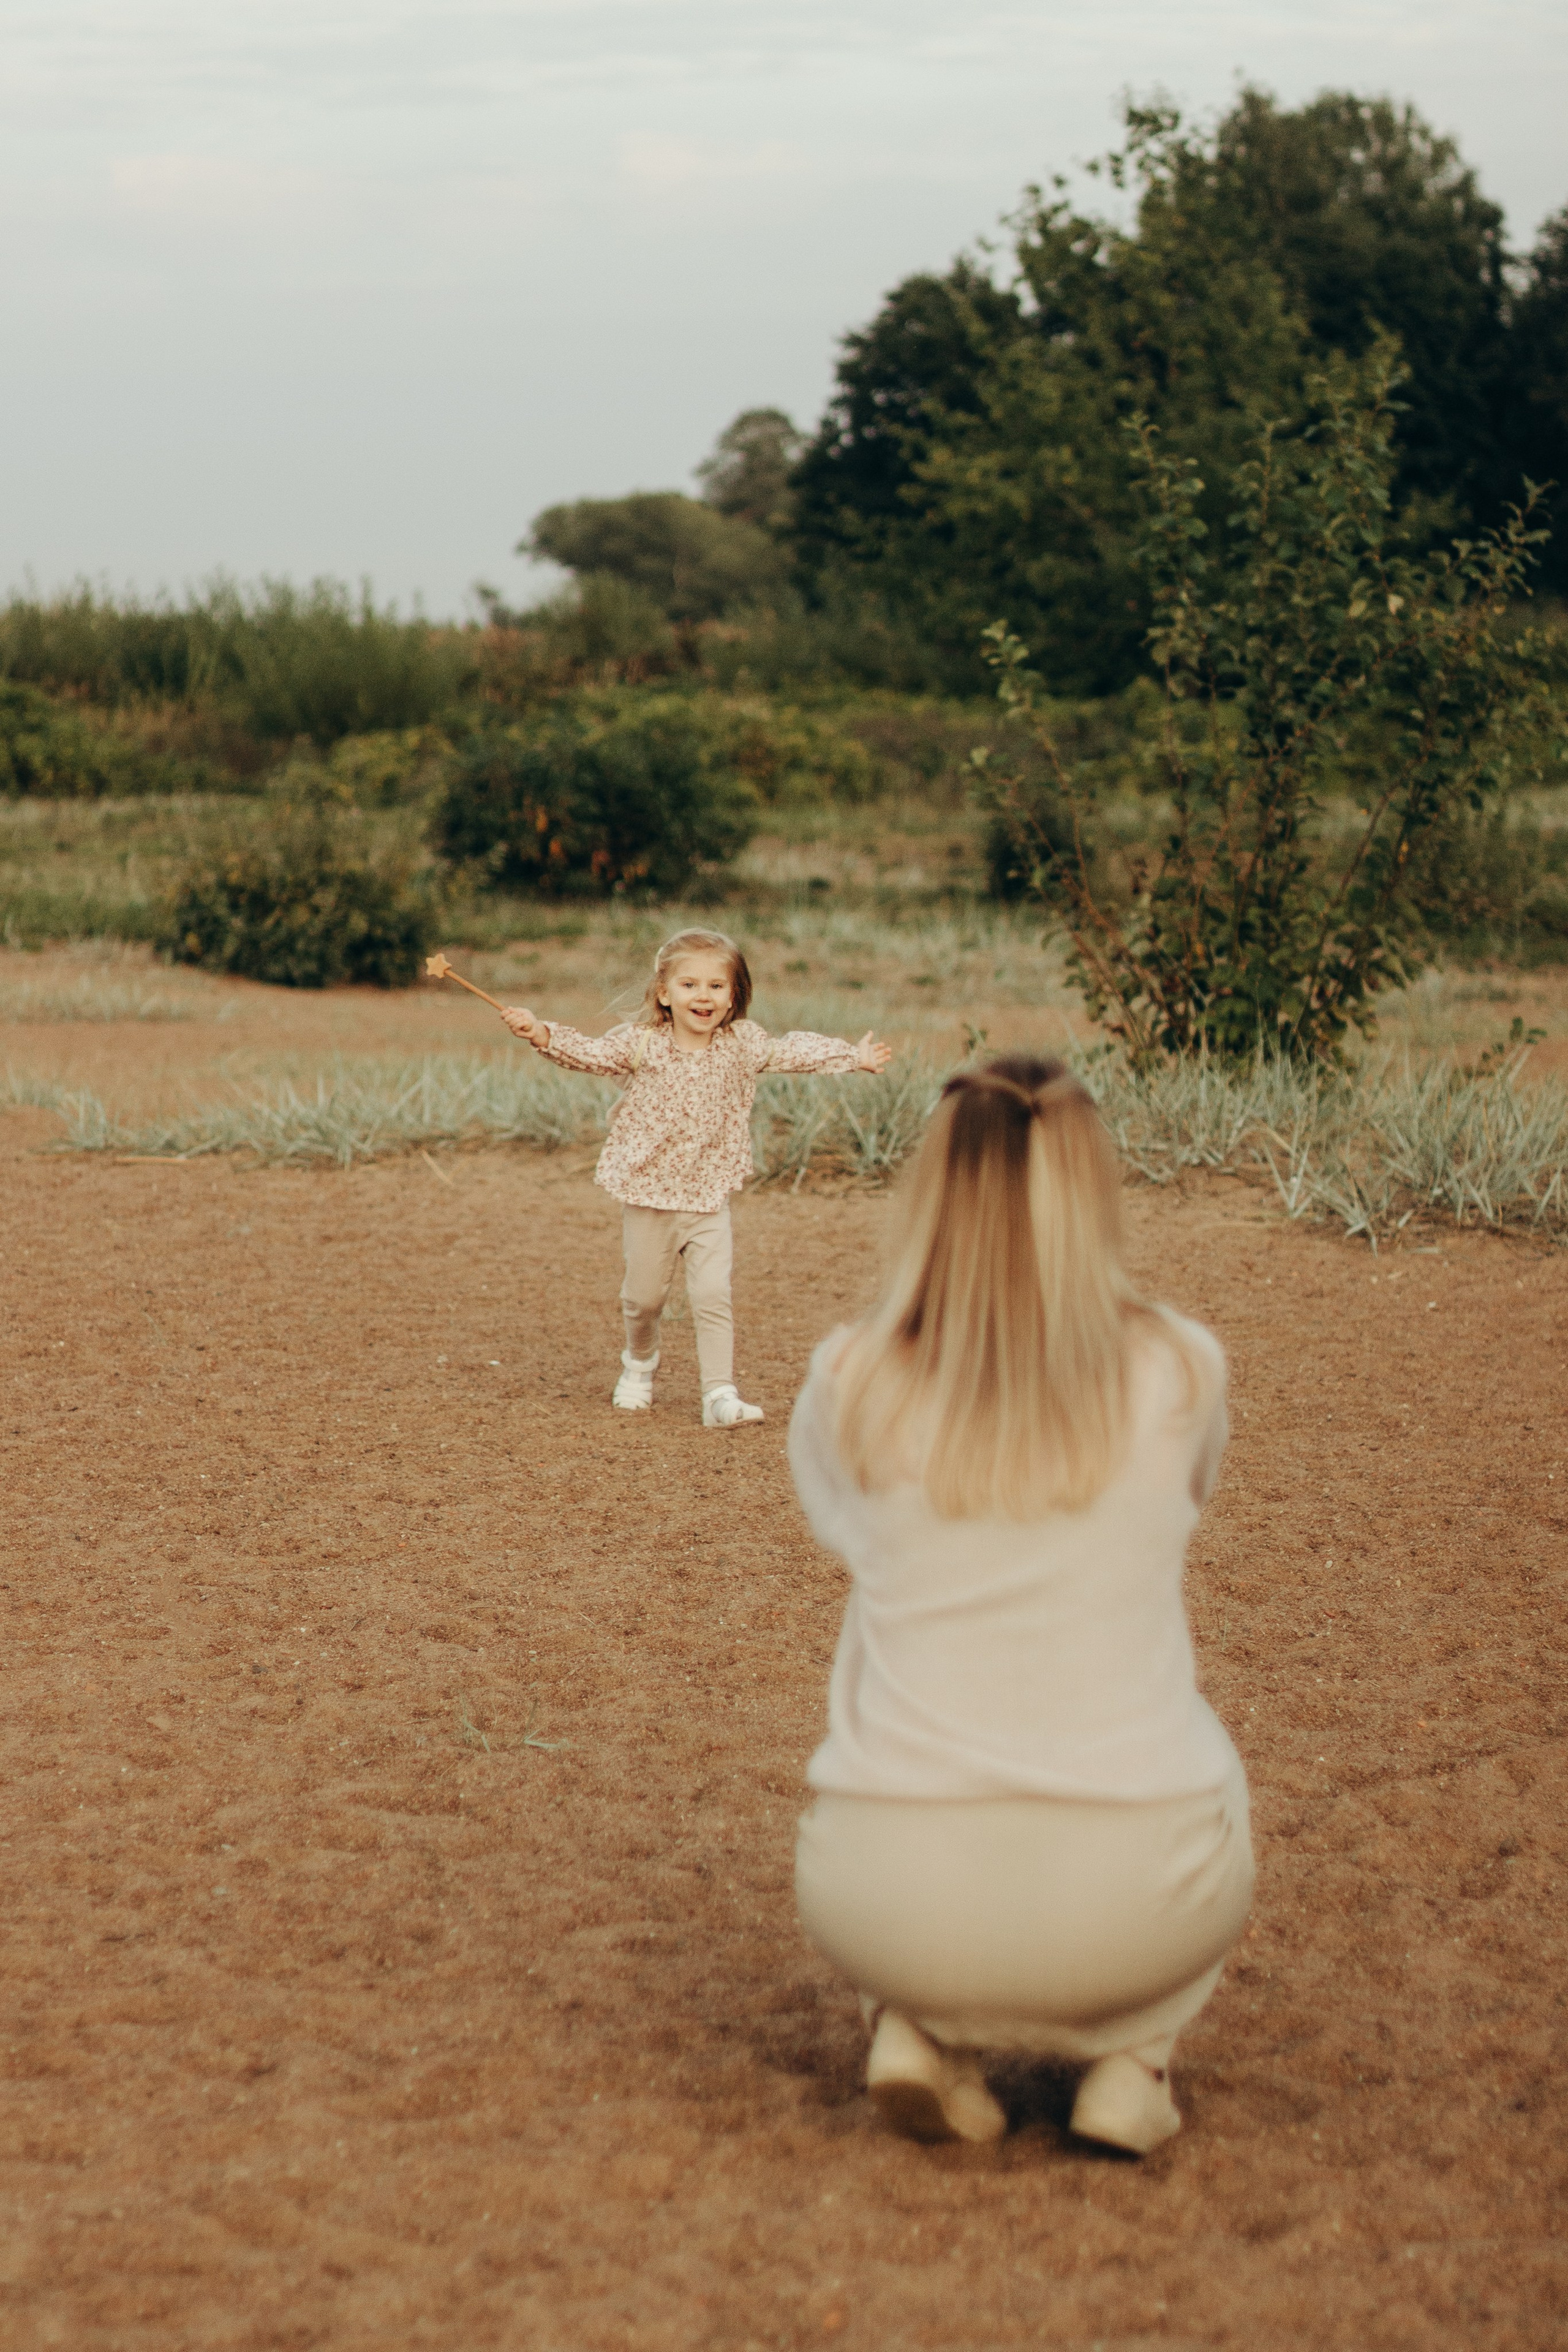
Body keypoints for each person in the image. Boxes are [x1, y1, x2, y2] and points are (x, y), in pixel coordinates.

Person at [788, 1055, 1253, 2155]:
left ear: (930, 1190)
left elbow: (846, 1530)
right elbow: (1188, 1498)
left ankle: (914, 2027)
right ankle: (1133, 2062)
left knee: (875, 1709)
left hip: (887, 1894)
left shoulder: (850, 1379)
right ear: (1093, 1191)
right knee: (1209, 1760)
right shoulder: (1183, 1371)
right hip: (1138, 1897)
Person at [500, 927, 891, 1427]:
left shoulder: (741, 1045)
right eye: (689, 985)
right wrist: (541, 1032)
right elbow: (590, 1054)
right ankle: (639, 1366)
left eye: (716, 986)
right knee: (643, 1299)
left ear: (734, 996)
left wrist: (852, 1058)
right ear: (665, 993)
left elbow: (792, 1051)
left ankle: (719, 1395)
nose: (702, 997)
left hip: (709, 1197)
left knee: (712, 1296)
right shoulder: (642, 1045)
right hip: (649, 1197)